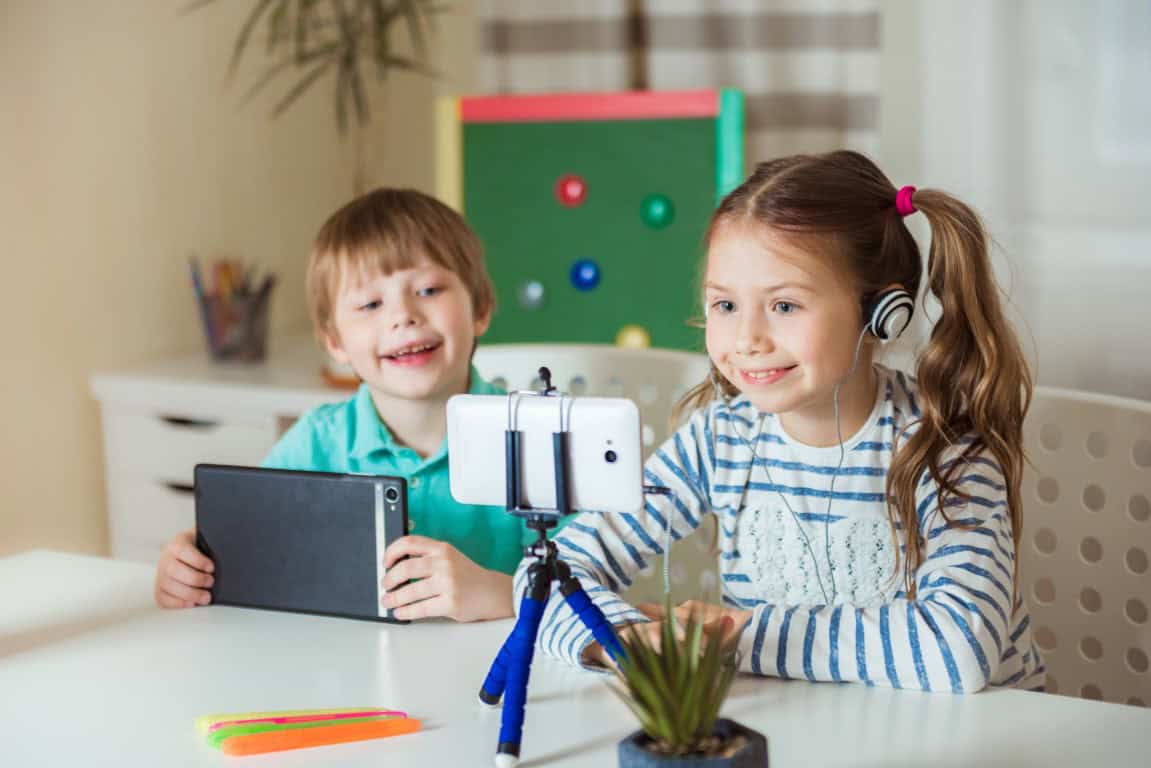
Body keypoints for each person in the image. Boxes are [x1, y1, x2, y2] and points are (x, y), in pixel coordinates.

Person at [526, 151, 1044, 692]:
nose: (747, 338)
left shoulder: (946, 452)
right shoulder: (719, 440)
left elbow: (957, 649)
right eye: (725, 306)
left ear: (882, 311)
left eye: (785, 306)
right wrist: (627, 641)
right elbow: (549, 572)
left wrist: (739, 637)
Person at [154, 188, 527, 622]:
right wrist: (190, 567)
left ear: (480, 307)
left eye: (428, 289)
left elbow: (596, 594)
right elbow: (250, 548)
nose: (402, 315)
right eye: (370, 303)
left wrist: (505, 596)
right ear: (335, 342)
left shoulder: (535, 441)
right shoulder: (318, 440)